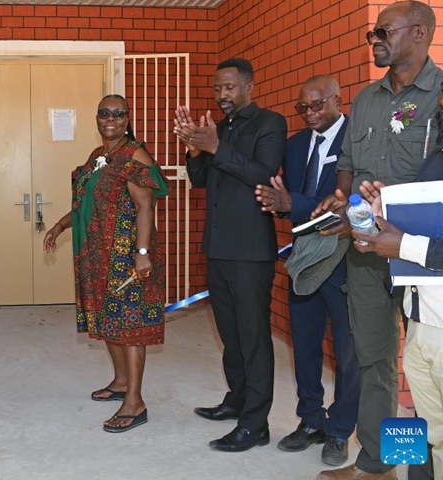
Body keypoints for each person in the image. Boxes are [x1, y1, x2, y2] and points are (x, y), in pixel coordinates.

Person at [312, 2, 443, 478]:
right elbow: (348, 162)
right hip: (367, 249)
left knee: (426, 365)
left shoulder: (440, 95)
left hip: (424, 256)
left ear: (420, 33)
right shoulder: (366, 98)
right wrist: (340, 199)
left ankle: (423, 467)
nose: (375, 40)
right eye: (373, 33)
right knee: (374, 359)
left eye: (384, 31)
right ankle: (378, 464)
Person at [173, 57, 286, 452]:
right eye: (217, 87)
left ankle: (256, 425)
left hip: (251, 251)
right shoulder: (217, 129)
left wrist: (216, 147)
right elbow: (201, 180)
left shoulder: (270, 123)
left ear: (249, 86)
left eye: (229, 87)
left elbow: (263, 175)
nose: (222, 94)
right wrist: (194, 150)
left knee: (254, 338)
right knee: (230, 336)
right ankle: (237, 400)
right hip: (218, 248)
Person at [43, 94, 168, 433]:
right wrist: (59, 226)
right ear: (97, 118)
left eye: (118, 113)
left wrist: (142, 253)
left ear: (128, 119)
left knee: (130, 326)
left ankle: (135, 402)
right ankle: (122, 382)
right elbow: (86, 203)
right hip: (99, 254)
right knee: (109, 319)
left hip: (127, 254)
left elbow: (146, 206)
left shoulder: (134, 154)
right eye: (104, 113)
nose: (110, 119)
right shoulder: (98, 155)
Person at [254, 75, 359, 466]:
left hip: (346, 261)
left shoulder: (356, 139)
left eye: (317, 105)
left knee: (348, 353)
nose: (309, 113)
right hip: (305, 261)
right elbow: (293, 208)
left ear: (337, 100)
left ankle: (339, 430)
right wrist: (281, 204)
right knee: (305, 346)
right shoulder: (296, 145)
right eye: (303, 107)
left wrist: (292, 203)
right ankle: (311, 419)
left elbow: (340, 207)